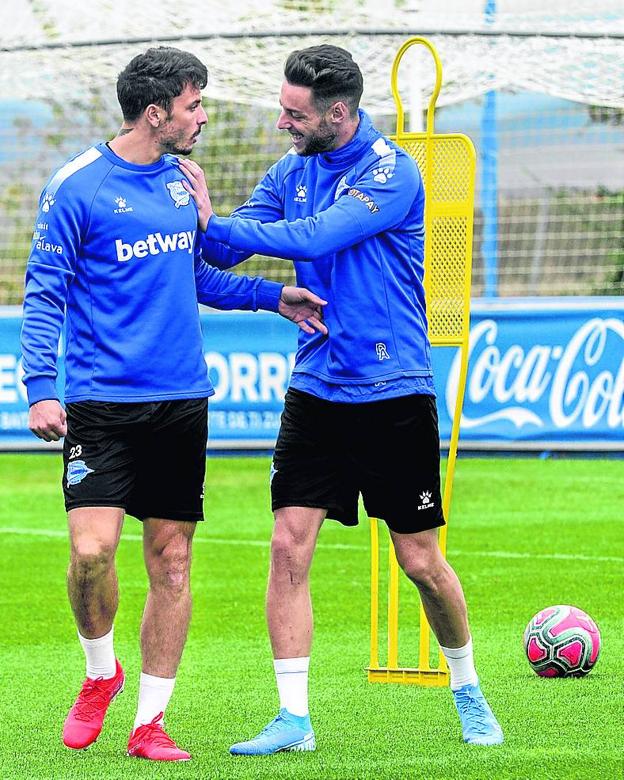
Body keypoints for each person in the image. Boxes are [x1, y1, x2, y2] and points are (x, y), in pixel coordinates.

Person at [179, 43, 504, 755]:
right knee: (287, 547)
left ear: (338, 113)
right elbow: (222, 256)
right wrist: (172, 220)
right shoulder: (290, 171)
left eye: (295, 114)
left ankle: (468, 687)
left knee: (420, 563)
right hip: (315, 389)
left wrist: (216, 224)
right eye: (283, 109)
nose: (282, 124)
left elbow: (314, 235)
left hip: (393, 390)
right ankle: (294, 719)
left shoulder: (392, 170)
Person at [19, 46, 327, 763]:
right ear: (156, 113)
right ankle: (101, 674)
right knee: (91, 552)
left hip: (182, 402)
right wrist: (41, 389)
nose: (203, 116)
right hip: (100, 402)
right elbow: (44, 294)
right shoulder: (76, 187)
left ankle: (150, 722)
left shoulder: (185, 182)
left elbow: (197, 276)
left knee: (172, 560)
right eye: (194, 104)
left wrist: (269, 296)